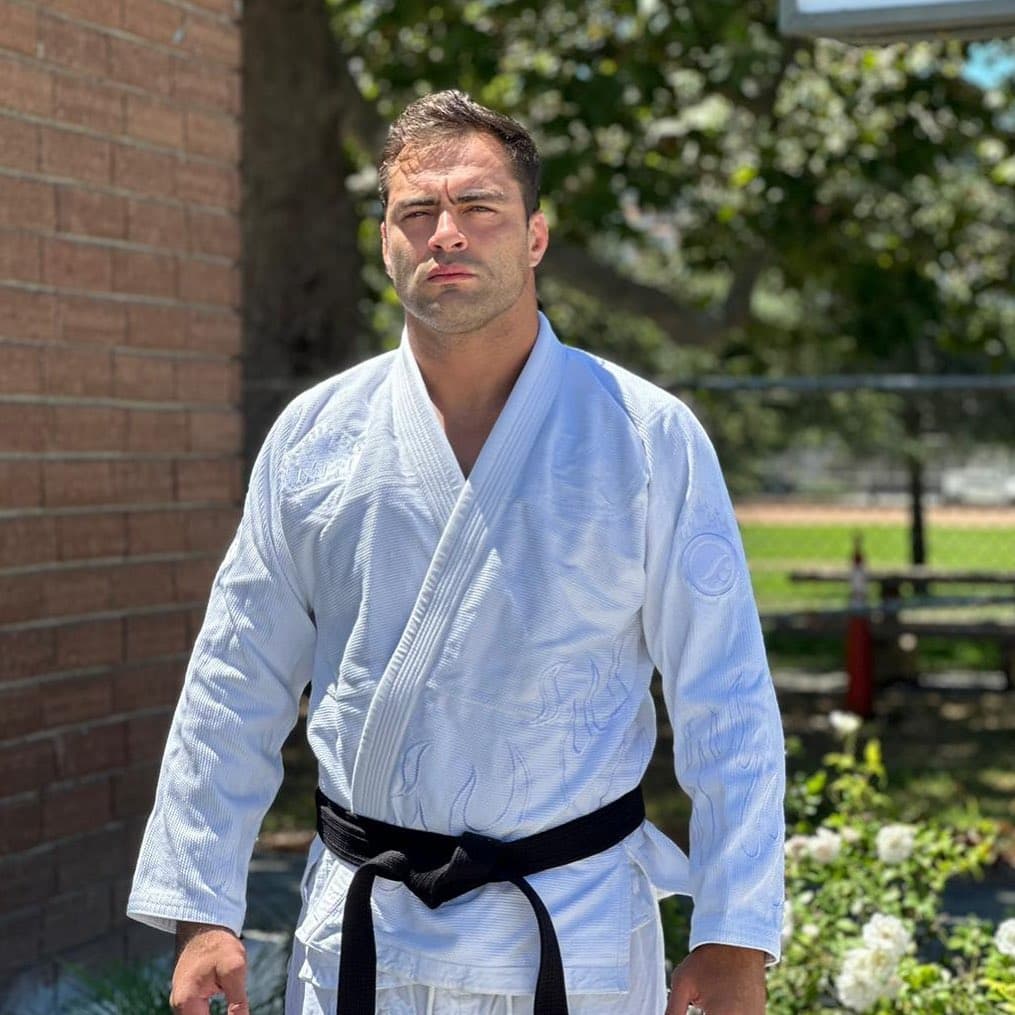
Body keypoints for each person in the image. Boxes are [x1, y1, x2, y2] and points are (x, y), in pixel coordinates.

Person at [128, 90, 785, 1015]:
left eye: (480, 209)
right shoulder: (316, 437)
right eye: (417, 213)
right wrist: (202, 908)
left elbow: (728, 697)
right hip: (365, 932)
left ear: (535, 238)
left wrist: (732, 936)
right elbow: (234, 680)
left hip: (573, 930)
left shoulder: (643, 436)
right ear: (385, 241)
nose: (448, 234)